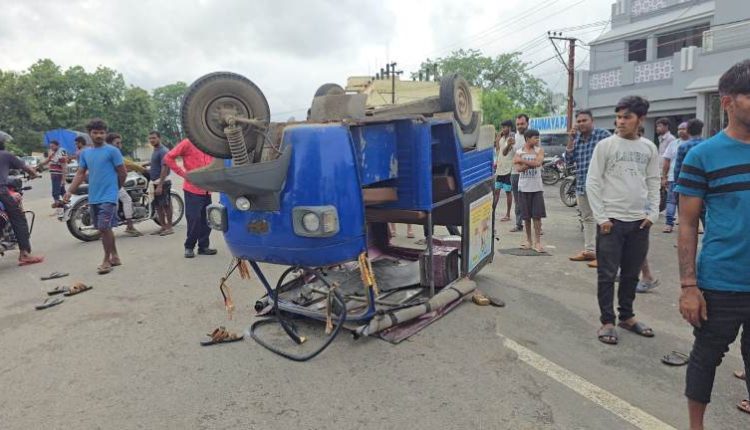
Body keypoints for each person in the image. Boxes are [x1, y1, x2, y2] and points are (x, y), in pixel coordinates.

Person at [676, 60, 750, 428]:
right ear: (727, 102)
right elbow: (687, 224)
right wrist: (689, 286)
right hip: (722, 281)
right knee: (706, 357)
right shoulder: (703, 155)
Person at [586, 95, 660, 345]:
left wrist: (652, 214)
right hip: (612, 221)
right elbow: (593, 182)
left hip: (639, 222)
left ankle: (627, 317)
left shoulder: (649, 148)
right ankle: (607, 321)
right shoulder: (606, 146)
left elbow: (653, 181)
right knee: (607, 275)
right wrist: (601, 217)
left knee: (631, 274)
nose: (620, 122)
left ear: (641, 119)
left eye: (626, 117)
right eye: (618, 117)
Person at [63, 119, 126, 275]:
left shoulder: (112, 151)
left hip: (109, 196)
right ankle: (115, 256)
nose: (99, 135)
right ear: (89, 134)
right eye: (95, 132)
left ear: (105, 133)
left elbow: (122, 172)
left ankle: (106, 260)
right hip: (94, 196)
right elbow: (80, 174)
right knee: (104, 228)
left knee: (103, 227)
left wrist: (116, 188)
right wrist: (69, 191)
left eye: (102, 133)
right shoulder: (86, 153)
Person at [566, 110, 612, 266]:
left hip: (601, 186)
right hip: (582, 185)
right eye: (578, 121)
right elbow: (569, 160)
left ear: (592, 121)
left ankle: (603, 255)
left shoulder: (603, 135)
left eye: (584, 120)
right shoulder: (577, 138)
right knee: (587, 219)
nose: (581, 124)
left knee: (602, 220)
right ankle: (590, 251)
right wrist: (571, 139)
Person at [163, 138, 217, 258]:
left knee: (206, 219)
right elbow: (168, 157)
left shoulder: (210, 143)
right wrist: (183, 174)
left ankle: (203, 246)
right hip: (192, 189)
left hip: (207, 189)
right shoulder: (188, 142)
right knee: (194, 219)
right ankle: (189, 247)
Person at [0, 132, 44, 266]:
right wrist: (34, 174)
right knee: (18, 219)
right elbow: (26, 168)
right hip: (1, 191)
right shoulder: (6, 155)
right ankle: (25, 254)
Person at [513, 129, 545, 253]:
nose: (537, 140)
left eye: (538, 137)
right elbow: (518, 169)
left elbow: (538, 163)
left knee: (537, 216)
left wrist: (522, 161)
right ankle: (528, 240)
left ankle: (538, 242)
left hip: (536, 188)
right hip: (523, 188)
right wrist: (531, 163)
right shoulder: (519, 151)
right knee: (526, 217)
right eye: (535, 138)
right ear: (527, 139)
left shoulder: (539, 150)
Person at [106, 133, 142, 237]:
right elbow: (129, 164)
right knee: (127, 199)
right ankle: (130, 226)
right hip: (112, 183)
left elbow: (124, 165)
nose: (119, 145)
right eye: (117, 143)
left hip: (105, 182)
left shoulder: (104, 152)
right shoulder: (114, 153)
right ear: (110, 143)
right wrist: (143, 169)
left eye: (120, 143)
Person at [661, 122, 689, 233]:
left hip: (690, 179)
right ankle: (669, 224)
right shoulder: (673, 144)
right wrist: (664, 177)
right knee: (671, 201)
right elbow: (666, 161)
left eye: (683, 129)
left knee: (689, 203)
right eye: (679, 129)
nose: (680, 131)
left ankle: (689, 224)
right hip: (673, 178)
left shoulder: (695, 143)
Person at [148, 131, 173, 236]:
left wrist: (160, 185)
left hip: (162, 182)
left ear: (159, 138)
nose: (152, 140)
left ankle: (170, 227)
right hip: (155, 182)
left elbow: (165, 168)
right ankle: (163, 226)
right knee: (158, 206)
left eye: (154, 138)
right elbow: (156, 162)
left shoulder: (163, 151)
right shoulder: (156, 150)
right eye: (150, 138)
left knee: (166, 205)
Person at [509, 114, 529, 233]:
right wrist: (508, 144)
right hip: (515, 173)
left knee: (531, 199)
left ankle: (536, 225)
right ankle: (518, 224)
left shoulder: (533, 137)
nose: (520, 126)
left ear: (527, 124)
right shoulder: (513, 138)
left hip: (530, 174)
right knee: (518, 200)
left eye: (522, 124)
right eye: (518, 124)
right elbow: (507, 153)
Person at [494, 120, 515, 222]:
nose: (503, 129)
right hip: (500, 169)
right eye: (502, 127)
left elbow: (507, 151)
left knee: (508, 192)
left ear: (510, 127)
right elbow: (498, 151)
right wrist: (498, 137)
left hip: (508, 169)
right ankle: (492, 212)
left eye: (505, 127)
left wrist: (508, 144)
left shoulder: (512, 139)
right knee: (496, 191)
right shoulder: (502, 139)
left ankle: (508, 214)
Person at [38, 140, 67, 207]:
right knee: (62, 190)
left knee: (56, 191)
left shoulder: (61, 152)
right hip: (54, 174)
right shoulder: (53, 152)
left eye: (53, 146)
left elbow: (64, 166)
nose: (51, 148)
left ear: (57, 145)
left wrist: (63, 179)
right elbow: (47, 160)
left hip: (58, 174)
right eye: (50, 146)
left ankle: (58, 204)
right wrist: (39, 165)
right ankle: (66, 204)